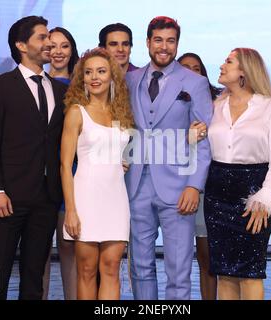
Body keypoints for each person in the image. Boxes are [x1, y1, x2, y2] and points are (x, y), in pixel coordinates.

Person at [125, 16, 213, 300]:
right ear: (148, 42)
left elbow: (203, 140)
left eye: (171, 41)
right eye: (159, 40)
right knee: (140, 266)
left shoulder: (195, 83)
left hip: (178, 188)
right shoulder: (131, 79)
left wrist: (194, 186)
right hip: (135, 185)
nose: (164, 47)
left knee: (178, 269)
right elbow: (123, 128)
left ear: (177, 44)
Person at [0, 16, 66, 300]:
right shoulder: (0, 86)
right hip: (7, 198)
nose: (49, 43)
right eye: (42, 37)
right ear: (21, 44)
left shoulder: (59, 89)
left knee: (34, 274)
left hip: (47, 198)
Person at [202, 48, 271, 300]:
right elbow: (204, 146)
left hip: (255, 190)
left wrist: (267, 194)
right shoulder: (215, 106)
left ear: (244, 71)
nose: (221, 65)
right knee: (225, 273)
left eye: (228, 61)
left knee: (250, 272)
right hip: (217, 193)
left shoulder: (270, 107)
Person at [61, 47, 133, 300]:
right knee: (88, 270)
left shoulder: (121, 112)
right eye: (89, 72)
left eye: (101, 71)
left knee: (112, 267)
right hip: (85, 198)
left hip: (116, 198)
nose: (95, 77)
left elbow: (122, 151)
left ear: (112, 76)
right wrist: (70, 210)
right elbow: (65, 165)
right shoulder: (76, 112)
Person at [177, 52, 220, 300]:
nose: (192, 72)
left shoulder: (216, 102)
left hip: (207, 185)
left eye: (196, 68)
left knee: (208, 257)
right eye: (185, 68)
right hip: (173, 183)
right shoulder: (163, 100)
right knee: (180, 258)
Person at [41, 26, 79, 301]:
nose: (57, 51)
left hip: (74, 174)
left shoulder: (82, 87)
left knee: (69, 246)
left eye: (64, 46)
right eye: (51, 45)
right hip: (39, 177)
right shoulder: (33, 84)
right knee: (39, 249)